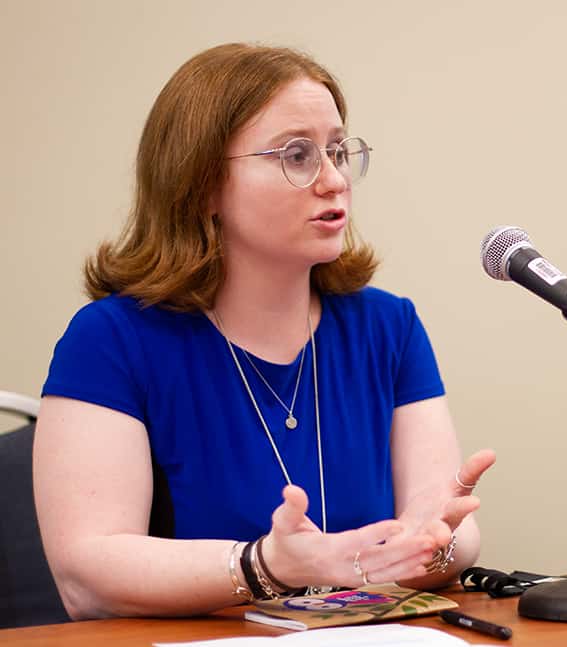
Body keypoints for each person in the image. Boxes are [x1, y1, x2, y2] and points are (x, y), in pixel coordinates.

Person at [34, 42, 496, 619]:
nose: (334, 181)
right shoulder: (112, 340)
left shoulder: (388, 326)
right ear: (200, 184)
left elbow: (443, 526)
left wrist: (437, 545)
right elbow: (86, 573)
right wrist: (263, 565)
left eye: (337, 151)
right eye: (297, 155)